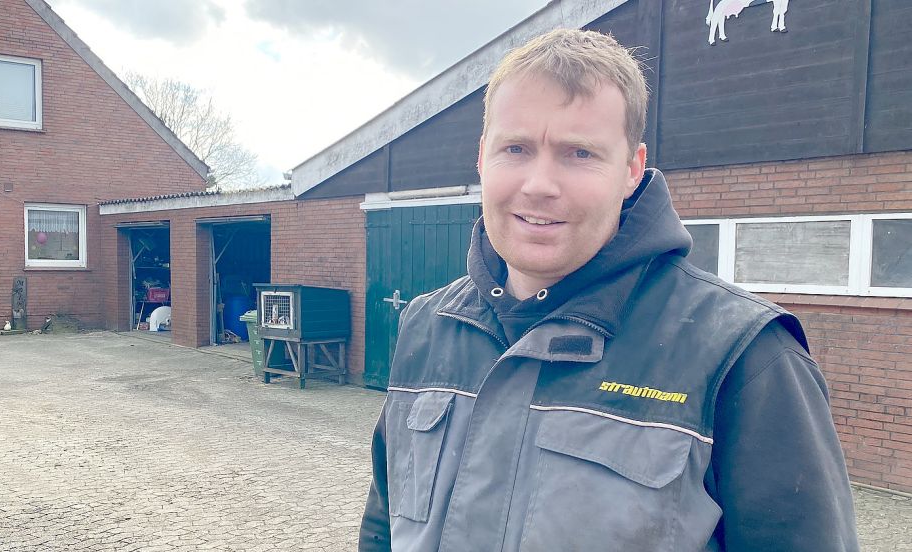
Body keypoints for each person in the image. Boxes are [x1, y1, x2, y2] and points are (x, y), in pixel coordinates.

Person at [359, 28, 858, 551]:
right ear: (482, 158)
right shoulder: (426, 325)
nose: (539, 184)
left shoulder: (745, 358)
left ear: (631, 169)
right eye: (516, 148)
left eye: (579, 153)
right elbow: (384, 527)